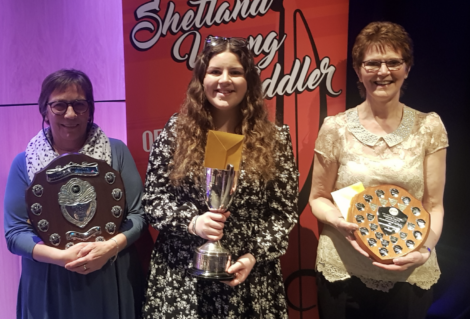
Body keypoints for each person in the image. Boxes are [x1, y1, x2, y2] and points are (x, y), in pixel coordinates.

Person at [142, 36, 298, 318]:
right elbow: (154, 199)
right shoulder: (176, 132)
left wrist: (253, 256)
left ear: (248, 80)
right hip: (183, 277)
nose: (224, 80)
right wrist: (193, 223)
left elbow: (283, 213)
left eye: (235, 72)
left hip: (249, 279)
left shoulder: (275, 139)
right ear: (202, 79)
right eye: (215, 71)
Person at [309, 21, 448, 318]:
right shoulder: (335, 127)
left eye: (393, 62)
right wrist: (337, 220)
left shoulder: (429, 127)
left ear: (407, 68)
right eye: (372, 63)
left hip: (408, 273)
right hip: (343, 272)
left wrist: (423, 251)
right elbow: (318, 198)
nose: (383, 72)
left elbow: (434, 205)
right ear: (358, 71)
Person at [4, 69, 147, 318]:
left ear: (90, 109)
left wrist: (108, 248)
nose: (70, 114)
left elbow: (139, 215)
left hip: (108, 271)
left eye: (79, 105)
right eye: (59, 105)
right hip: (49, 280)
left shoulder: (117, 152)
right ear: (44, 111)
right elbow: (15, 234)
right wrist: (60, 257)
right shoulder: (23, 163)